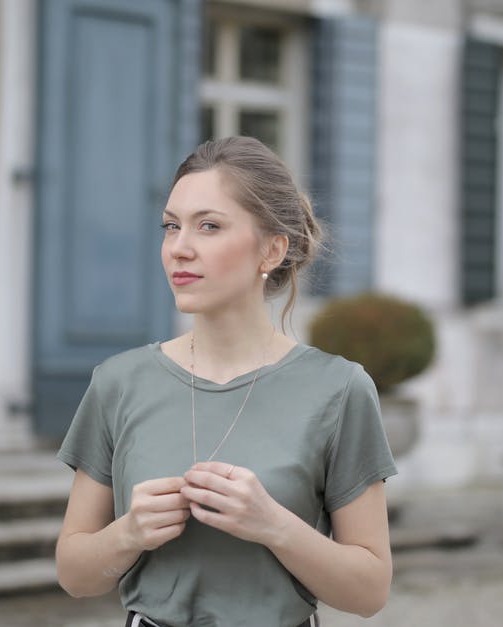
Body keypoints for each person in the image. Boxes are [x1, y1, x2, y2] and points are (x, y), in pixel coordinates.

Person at [54, 136, 397, 627]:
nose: (179, 249)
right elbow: (74, 575)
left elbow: (369, 592)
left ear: (271, 250)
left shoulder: (340, 390)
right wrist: (128, 533)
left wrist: (273, 525)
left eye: (208, 226)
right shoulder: (118, 383)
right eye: (171, 226)